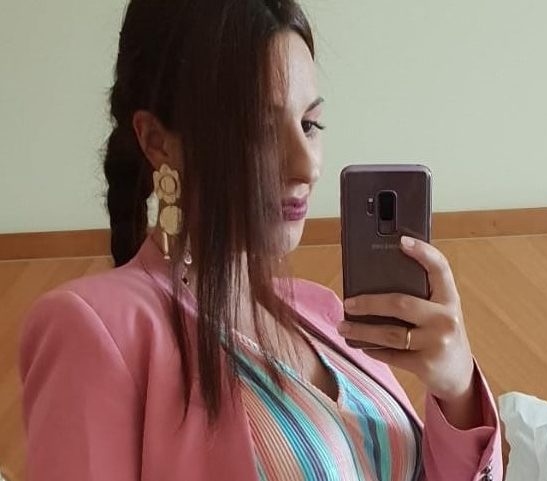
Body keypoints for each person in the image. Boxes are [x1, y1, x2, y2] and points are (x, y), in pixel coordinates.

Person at [19, 0, 502, 480]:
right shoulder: (90, 327)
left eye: (309, 125)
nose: (306, 166)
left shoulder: (326, 315)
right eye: (258, 129)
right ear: (158, 142)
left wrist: (457, 390)